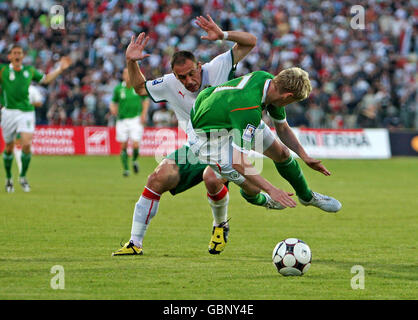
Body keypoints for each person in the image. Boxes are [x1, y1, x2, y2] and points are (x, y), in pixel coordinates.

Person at [112, 15, 278, 256]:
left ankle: (221, 225)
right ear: (174, 75)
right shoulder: (169, 83)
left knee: (212, 178)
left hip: (228, 141)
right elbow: (139, 87)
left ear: (199, 65)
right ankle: (135, 243)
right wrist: (131, 62)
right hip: (197, 146)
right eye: (182, 77)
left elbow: (250, 41)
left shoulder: (217, 67)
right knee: (156, 179)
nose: (189, 81)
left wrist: (223, 35)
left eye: (192, 73)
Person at [188, 69, 342, 230]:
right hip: (208, 140)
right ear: (288, 97)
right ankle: (264, 200)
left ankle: (306, 196)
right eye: (291, 102)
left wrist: (304, 156)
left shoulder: (269, 82)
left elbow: (282, 128)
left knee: (282, 153)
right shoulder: (249, 110)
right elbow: (238, 161)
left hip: (228, 117)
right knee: (254, 187)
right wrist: (271, 190)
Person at [0, 44, 72, 193]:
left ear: (23, 56)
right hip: (8, 112)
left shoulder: (29, 71)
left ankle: (23, 177)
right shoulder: (3, 70)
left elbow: (45, 80)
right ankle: (8, 178)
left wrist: (59, 69)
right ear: (10, 57)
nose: (17, 55)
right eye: (14, 53)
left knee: (26, 144)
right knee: (8, 147)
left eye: (19, 53)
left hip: (26, 112)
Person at [110, 67, 150, 177]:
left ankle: (134, 160)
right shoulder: (118, 88)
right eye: (125, 74)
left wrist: (144, 114)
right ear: (123, 76)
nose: (127, 76)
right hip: (122, 120)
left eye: (129, 74)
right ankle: (126, 169)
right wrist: (113, 109)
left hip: (135, 119)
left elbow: (145, 100)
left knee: (136, 144)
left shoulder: (137, 87)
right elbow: (113, 102)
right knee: (123, 145)